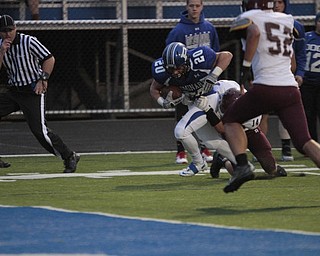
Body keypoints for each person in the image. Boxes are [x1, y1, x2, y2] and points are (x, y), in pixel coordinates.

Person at [221, 0, 320, 193]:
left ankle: (242, 165)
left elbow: (255, 33)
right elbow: (291, 65)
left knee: (231, 119)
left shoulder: (248, 17)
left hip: (266, 86)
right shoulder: (288, 20)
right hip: (290, 89)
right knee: (304, 141)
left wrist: (246, 69)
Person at [0, 15, 80, 173]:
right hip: (14, 90)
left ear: (16, 28)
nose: (8, 34)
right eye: (4, 31)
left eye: (10, 30)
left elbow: (49, 59)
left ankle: (69, 156)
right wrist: (2, 52)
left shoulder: (28, 41)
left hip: (32, 90)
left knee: (40, 131)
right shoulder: (1, 45)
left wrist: (43, 79)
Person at [150, 42, 232, 176]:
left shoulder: (200, 58)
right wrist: (163, 103)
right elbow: (154, 89)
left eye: (179, 67)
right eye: (171, 69)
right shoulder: (163, 72)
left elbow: (227, 56)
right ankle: (238, 161)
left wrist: (213, 76)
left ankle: (198, 162)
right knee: (211, 142)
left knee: (181, 131)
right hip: (194, 103)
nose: (176, 72)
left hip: (212, 95)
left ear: (186, 61)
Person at [194, 80, 287, 178]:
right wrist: (208, 109)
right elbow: (221, 129)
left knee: (270, 168)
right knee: (239, 173)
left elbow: (225, 129)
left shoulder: (251, 112)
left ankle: (221, 157)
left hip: (248, 129)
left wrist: (208, 110)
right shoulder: (221, 91)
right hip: (228, 129)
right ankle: (223, 160)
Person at [165, 0, 220, 164]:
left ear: (202, 6)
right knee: (182, 112)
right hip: (185, 78)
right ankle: (181, 151)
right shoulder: (178, 30)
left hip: (204, 77)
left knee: (205, 112)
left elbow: (216, 52)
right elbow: (168, 54)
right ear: (186, 7)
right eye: (191, 5)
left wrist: (213, 74)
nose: (194, 9)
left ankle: (205, 148)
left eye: (197, 5)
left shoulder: (209, 28)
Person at [259, 0, 306, 161]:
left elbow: (300, 53)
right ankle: (261, 148)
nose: (276, 5)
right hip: (266, 73)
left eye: (280, 1)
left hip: (285, 73)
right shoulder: (260, 22)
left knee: (286, 114)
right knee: (260, 113)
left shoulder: (294, 24)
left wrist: (299, 72)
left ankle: (286, 147)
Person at [300, 13, 320, 142]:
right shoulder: (307, 37)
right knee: (308, 115)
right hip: (307, 82)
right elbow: (299, 56)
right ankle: (312, 143)